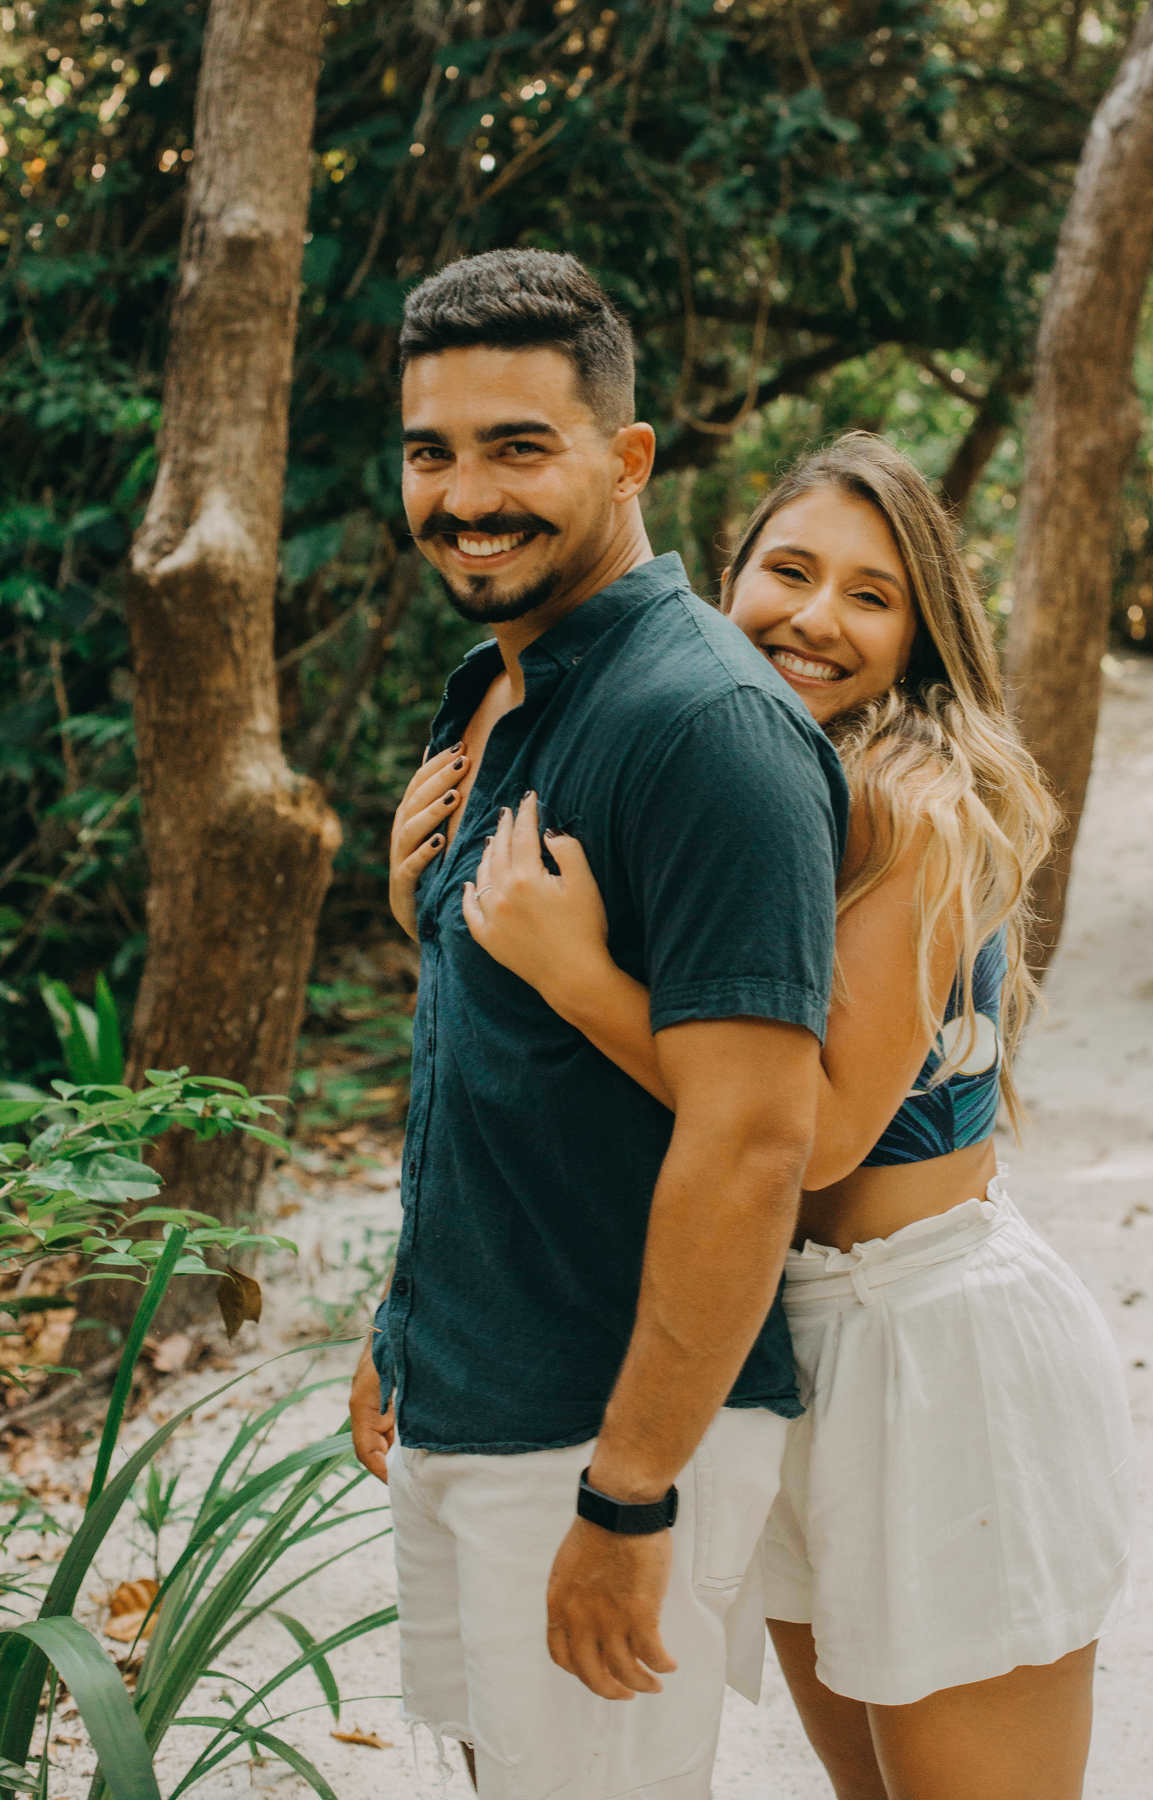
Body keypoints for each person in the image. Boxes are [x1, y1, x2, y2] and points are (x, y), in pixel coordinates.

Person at [457, 433, 1134, 1800]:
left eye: (872, 595)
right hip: (776, 1346)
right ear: (729, 578)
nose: (816, 618)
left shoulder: (918, 802)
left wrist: (581, 973)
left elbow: (812, 1135)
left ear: (926, 630)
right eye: (790, 570)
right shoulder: (736, 783)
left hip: (934, 1354)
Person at [348, 247, 850, 1800]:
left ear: (627, 457)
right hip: (475, 1394)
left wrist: (631, 1502)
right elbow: (503, 1062)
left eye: (517, 447)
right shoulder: (497, 685)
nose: (464, 496)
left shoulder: (704, 726)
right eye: (433, 452)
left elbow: (758, 1137)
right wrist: (404, 1329)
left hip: (601, 1438)